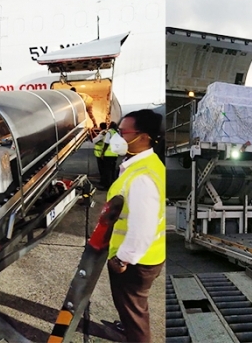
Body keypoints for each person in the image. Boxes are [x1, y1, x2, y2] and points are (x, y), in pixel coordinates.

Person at [105, 109, 165, 342]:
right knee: (135, 308)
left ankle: (136, 335)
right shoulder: (144, 164)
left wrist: (122, 259)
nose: (116, 137)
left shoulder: (142, 177)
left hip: (135, 262)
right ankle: (130, 327)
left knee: (134, 312)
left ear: (143, 137)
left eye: (122, 132)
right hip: (146, 257)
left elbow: (143, 227)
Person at [101, 121, 119, 189]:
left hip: (108, 154)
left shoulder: (109, 132)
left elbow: (106, 143)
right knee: (112, 169)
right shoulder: (116, 133)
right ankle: (112, 184)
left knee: (107, 170)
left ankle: (107, 185)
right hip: (115, 154)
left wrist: (102, 153)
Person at [90, 122, 108, 187]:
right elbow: (98, 137)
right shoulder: (106, 132)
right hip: (105, 153)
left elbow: (94, 140)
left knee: (102, 169)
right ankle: (105, 182)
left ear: (100, 127)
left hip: (100, 154)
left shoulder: (103, 133)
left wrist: (91, 132)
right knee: (105, 169)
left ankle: (103, 183)